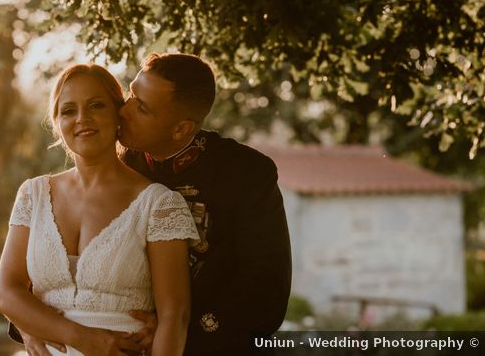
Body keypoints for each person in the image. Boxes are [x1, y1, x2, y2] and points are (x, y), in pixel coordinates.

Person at [19, 53, 292, 356]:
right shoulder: (117, 162)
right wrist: (29, 322)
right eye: (132, 93)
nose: (125, 110)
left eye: (142, 108)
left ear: (181, 129)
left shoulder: (245, 174)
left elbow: (267, 292)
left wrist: (175, 325)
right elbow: (54, 259)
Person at [0, 64, 200, 356]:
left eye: (96, 105)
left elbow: (174, 316)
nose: (82, 119)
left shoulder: (159, 204)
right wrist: (81, 338)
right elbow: (6, 293)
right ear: (56, 123)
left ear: (118, 115)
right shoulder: (33, 194)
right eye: (68, 110)